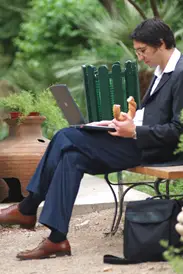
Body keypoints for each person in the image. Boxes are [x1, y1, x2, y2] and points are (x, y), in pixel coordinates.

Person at [1, 17, 183, 260]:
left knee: (66, 136)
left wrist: (135, 131)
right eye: (137, 51)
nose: (140, 57)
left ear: (161, 44)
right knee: (72, 157)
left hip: (158, 150)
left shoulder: (180, 74)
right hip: (141, 140)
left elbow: (178, 131)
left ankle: (27, 208)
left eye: (143, 51)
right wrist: (118, 123)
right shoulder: (162, 71)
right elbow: (152, 115)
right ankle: (57, 239)